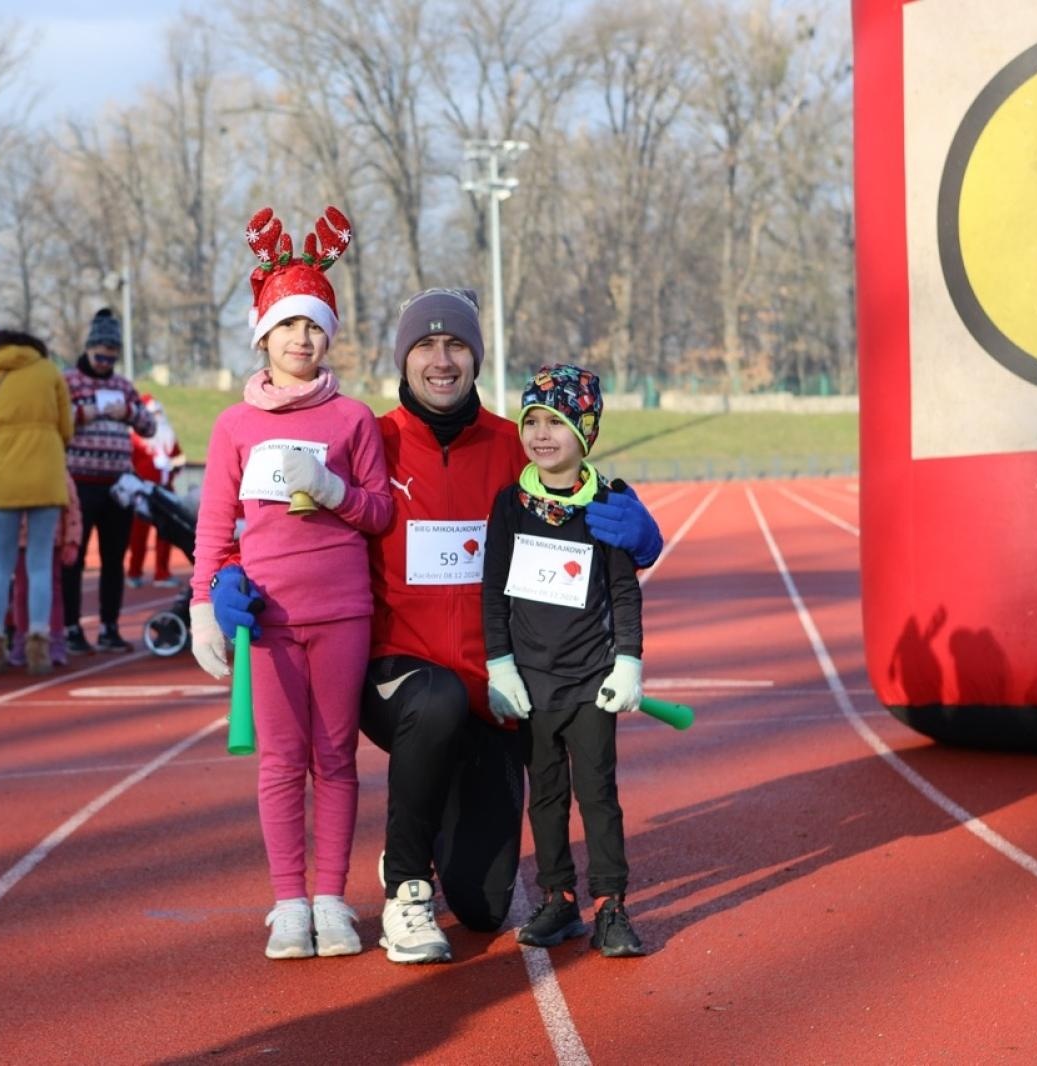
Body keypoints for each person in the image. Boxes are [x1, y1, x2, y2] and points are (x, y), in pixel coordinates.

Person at [209, 287, 663, 965]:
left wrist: (640, 532)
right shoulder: (370, 436)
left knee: (482, 908)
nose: (441, 360)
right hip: (399, 675)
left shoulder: (516, 444)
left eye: (456, 346)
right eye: (426, 345)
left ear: (476, 359)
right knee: (435, 701)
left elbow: (585, 495)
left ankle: (420, 830)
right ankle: (407, 886)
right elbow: (286, 524)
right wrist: (230, 573)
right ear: (405, 357)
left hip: (501, 692)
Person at [189, 205, 392, 960]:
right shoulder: (234, 426)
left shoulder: (353, 419)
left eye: (313, 327)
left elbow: (380, 512)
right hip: (267, 622)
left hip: (342, 612)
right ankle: (288, 903)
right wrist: (205, 606)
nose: (301, 340)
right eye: (287, 327)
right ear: (263, 336)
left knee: (335, 758)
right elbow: (213, 529)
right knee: (281, 762)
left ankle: (333, 899)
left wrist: (334, 492)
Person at [482, 364, 646, 957]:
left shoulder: (607, 505)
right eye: (532, 421)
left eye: (556, 421)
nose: (541, 433)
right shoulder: (508, 506)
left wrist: (628, 661)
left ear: (586, 430)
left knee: (597, 795)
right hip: (531, 684)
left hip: (590, 682)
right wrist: (500, 666)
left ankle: (612, 906)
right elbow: (493, 593)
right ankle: (559, 900)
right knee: (545, 796)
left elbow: (625, 592)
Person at [0, 329, 74, 676]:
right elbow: (66, 426)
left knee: (2, 564)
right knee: (40, 564)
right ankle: (39, 644)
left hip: (3, 473)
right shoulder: (47, 370)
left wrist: (2, 439)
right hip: (45, 471)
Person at [61, 308, 155, 653]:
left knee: (114, 559)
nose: (104, 363)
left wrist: (129, 413)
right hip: (79, 483)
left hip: (117, 485)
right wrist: (81, 414)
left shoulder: (122, 385)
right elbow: (53, 422)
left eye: (110, 357)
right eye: (99, 356)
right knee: (74, 558)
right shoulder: (68, 381)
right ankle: (71, 628)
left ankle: (109, 627)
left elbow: (150, 427)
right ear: (87, 350)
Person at [7, 473, 81, 673]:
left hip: (50, 538)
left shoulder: (56, 467)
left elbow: (71, 505)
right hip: (20, 540)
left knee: (53, 590)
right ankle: (21, 640)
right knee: (21, 591)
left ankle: (55, 640)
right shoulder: (11, 465)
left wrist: (72, 540)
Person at [126, 394, 184, 587]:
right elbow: (129, 465)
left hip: (166, 489)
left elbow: (179, 458)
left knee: (166, 533)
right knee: (138, 534)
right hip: (144, 492)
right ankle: (134, 572)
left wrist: (173, 465)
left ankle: (162, 572)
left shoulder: (169, 436)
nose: (157, 417)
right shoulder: (134, 438)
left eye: (159, 412)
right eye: (153, 413)